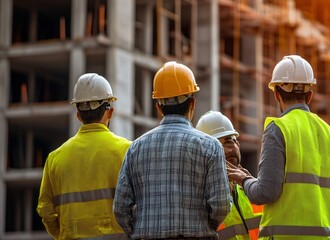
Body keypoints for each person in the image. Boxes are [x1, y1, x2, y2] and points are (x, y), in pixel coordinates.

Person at [227, 55, 330, 240]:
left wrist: (244, 180)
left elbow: (266, 192)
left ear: (276, 94)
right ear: (309, 96)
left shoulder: (279, 129)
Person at [113, 61, 231, 239]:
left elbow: (121, 209)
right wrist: (204, 226)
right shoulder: (211, 147)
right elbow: (221, 206)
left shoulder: (135, 149)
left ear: (159, 107)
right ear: (192, 104)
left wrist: (139, 232)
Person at [37, 73, 132, 239]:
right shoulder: (127, 150)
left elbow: (45, 210)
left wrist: (62, 235)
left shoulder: (55, 158)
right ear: (110, 112)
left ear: (78, 115)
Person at [196, 110, 263, 240]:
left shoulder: (252, 190)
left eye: (229, 141)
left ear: (238, 144)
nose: (227, 151)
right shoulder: (201, 200)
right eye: (217, 146)